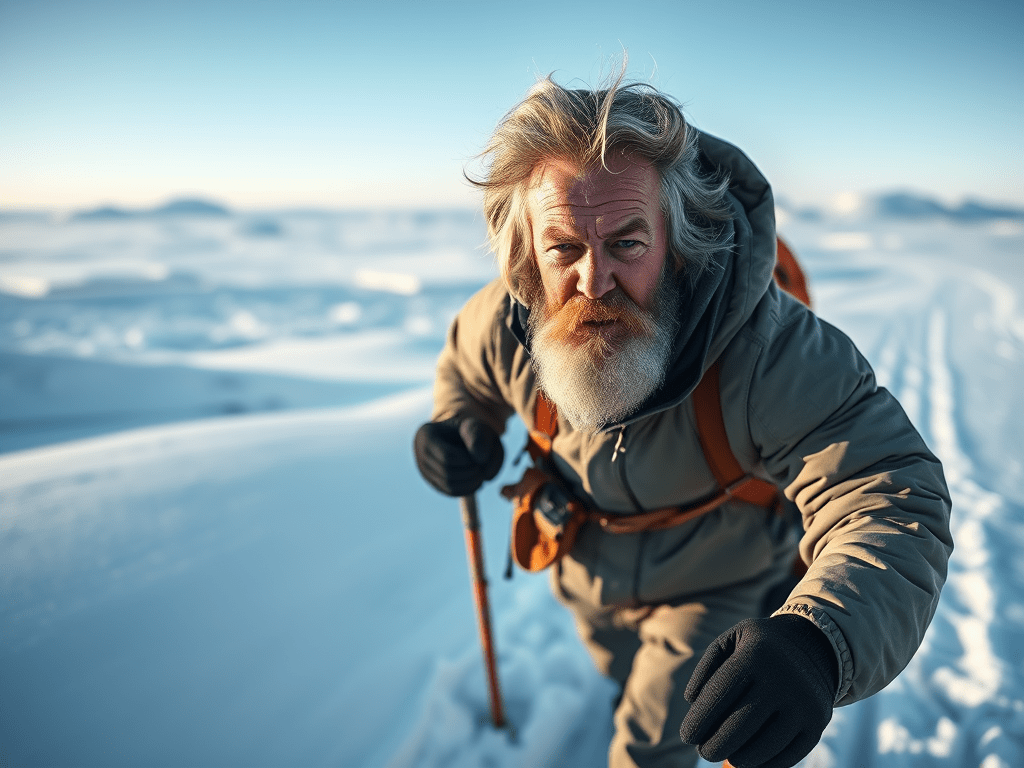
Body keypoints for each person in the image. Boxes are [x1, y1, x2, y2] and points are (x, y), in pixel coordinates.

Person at [413, 74, 953, 768]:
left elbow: (885, 488)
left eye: (627, 244)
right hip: (586, 573)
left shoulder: (766, 350)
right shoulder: (507, 318)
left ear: (678, 236)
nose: (593, 281)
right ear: (527, 252)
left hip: (715, 582)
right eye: (564, 250)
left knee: (650, 749)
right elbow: (467, 371)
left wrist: (819, 641)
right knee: (623, 677)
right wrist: (459, 426)